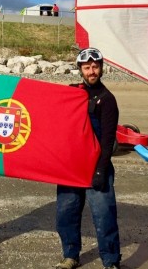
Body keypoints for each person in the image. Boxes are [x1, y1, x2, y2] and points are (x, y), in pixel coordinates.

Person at [55, 47, 121, 269]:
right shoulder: (72, 94)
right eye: (87, 67)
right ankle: (70, 255)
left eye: (95, 66)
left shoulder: (107, 99)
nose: (92, 71)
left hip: (97, 165)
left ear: (101, 68)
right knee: (66, 214)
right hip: (71, 166)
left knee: (104, 216)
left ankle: (111, 261)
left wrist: (101, 170)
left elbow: (108, 140)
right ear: (80, 69)